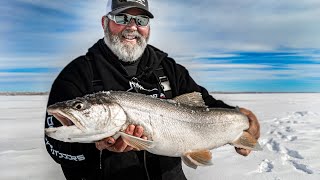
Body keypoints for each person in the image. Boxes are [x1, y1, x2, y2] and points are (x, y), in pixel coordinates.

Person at [44, 0, 260, 179]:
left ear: (148, 26)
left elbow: (207, 107)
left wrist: (244, 120)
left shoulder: (169, 69)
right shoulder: (76, 75)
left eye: (141, 20)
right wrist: (95, 148)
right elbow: (57, 148)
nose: (132, 27)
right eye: (121, 18)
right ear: (104, 22)